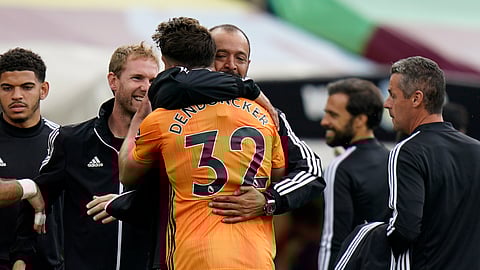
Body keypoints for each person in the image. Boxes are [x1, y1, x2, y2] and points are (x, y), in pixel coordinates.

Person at [119, 17, 286, 270]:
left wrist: (138, 122)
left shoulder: (162, 118)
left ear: (166, 63)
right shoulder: (266, 114)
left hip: (195, 255)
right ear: (210, 58)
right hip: (257, 257)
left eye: (239, 58)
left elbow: (127, 174)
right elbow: (279, 173)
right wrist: (263, 198)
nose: (230, 65)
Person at [19, 42, 160, 270]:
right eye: (137, 78)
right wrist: (23, 257)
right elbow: (37, 200)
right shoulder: (72, 140)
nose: (146, 88)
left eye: (153, 81)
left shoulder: (164, 144)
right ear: (113, 81)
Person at [335, 56, 480, 269]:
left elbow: (405, 230)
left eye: (393, 95)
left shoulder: (407, 150)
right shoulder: (476, 149)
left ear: (416, 99)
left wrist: (369, 233)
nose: (386, 104)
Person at [317, 78, 390, 270]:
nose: (324, 122)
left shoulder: (339, 167)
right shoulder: (393, 160)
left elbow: (332, 241)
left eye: (333, 115)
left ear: (360, 120)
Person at [0, 48, 63, 270]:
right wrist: (29, 187)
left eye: (26, 87)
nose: (17, 95)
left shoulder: (62, 140)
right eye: (7, 88)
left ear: (43, 89)